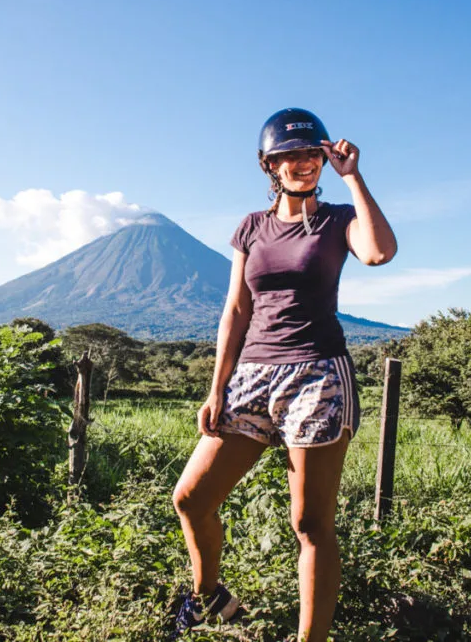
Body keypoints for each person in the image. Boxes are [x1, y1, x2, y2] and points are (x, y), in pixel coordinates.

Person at [170, 108, 397, 641]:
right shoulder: (251, 226)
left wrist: (354, 177)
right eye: (290, 156)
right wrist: (216, 386)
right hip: (252, 374)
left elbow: (380, 252)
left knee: (310, 524)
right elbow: (236, 310)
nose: (303, 163)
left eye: (312, 154)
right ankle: (209, 599)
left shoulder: (339, 218)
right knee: (191, 498)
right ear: (269, 165)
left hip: (317, 374)